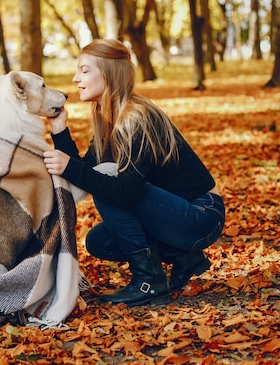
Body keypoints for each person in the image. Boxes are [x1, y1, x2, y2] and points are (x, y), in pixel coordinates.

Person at [43, 39, 225, 307]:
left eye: (84, 70)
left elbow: (123, 192)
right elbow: (86, 173)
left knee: (111, 181)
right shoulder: (109, 118)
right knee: (99, 242)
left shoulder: (136, 118)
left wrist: (69, 166)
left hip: (202, 214)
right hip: (177, 214)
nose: (75, 78)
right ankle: (184, 258)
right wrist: (59, 130)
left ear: (108, 73)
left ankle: (149, 281)